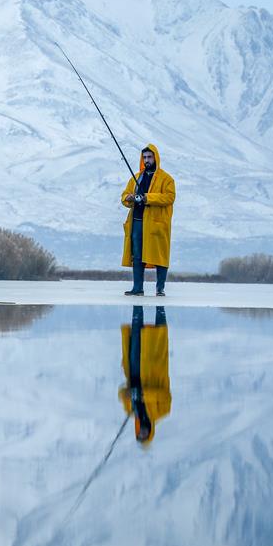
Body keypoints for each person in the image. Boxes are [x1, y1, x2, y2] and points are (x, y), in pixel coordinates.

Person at [121, 144, 176, 296]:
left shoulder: (167, 179)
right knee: (137, 255)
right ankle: (137, 288)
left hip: (156, 224)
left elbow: (169, 197)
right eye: (144, 157)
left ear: (156, 158)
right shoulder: (136, 177)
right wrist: (129, 198)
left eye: (149, 157)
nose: (147, 160)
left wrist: (147, 198)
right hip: (137, 222)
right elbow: (124, 196)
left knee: (159, 256)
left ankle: (160, 289)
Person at [118, 306, 171, 446]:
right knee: (159, 336)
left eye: (139, 435)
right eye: (144, 435)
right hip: (153, 368)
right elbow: (164, 395)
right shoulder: (162, 412)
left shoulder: (131, 411)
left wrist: (127, 394)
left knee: (135, 336)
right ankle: (160, 307)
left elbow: (121, 394)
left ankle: (137, 305)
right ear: (150, 433)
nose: (141, 432)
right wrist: (141, 394)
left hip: (134, 370)